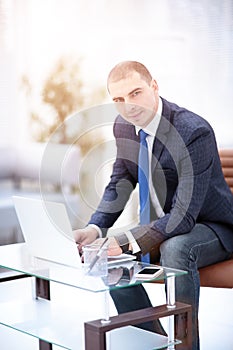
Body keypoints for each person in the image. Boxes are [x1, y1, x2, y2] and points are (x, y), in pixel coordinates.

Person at [73, 61, 233, 349]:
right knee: (106, 254)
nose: (129, 106)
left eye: (136, 93)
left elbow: (183, 218)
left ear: (154, 87)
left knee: (176, 247)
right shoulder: (123, 126)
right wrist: (95, 229)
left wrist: (125, 243)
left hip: (214, 227)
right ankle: (152, 342)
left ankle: (186, 345)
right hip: (162, 224)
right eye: (119, 99)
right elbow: (120, 182)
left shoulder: (193, 131)